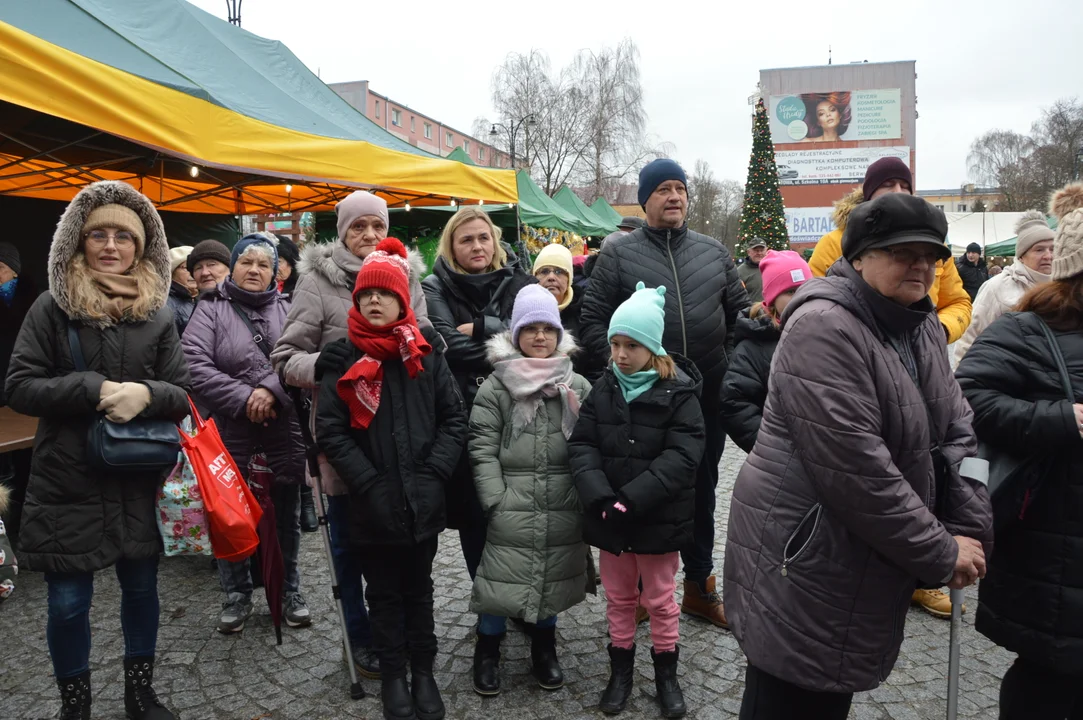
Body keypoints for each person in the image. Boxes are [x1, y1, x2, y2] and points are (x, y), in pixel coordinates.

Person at [724, 192, 993, 719]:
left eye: (931, 255)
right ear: (859, 256)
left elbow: (961, 432)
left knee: (830, 693)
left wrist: (970, 521)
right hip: (803, 562)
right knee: (793, 696)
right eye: (902, 252)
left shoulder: (921, 327)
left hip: (859, 560)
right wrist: (940, 551)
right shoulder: (823, 327)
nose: (921, 265)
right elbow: (858, 471)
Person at [5, 180, 191, 720]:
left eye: (124, 237)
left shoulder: (157, 312)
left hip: (138, 477)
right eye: (98, 235)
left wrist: (147, 394)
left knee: (141, 593)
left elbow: (181, 393)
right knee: (67, 605)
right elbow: (18, 385)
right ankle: (75, 706)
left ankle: (140, 694)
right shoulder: (50, 307)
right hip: (67, 479)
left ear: (142, 247)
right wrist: (94, 389)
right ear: (78, 242)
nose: (111, 246)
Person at [580, 158, 749, 629]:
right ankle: (636, 593)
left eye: (680, 188)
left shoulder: (714, 252)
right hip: (642, 403)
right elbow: (592, 320)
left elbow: (738, 316)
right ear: (645, 198)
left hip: (706, 397)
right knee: (641, 490)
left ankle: (698, 585)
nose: (674, 196)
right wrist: (625, 368)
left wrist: (731, 365)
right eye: (663, 189)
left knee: (701, 488)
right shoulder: (618, 254)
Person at [272, 190, 431, 678]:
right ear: (341, 231)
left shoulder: (406, 276)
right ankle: (360, 640)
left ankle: (401, 633)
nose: (369, 235)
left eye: (376, 226)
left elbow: (423, 338)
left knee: (401, 546)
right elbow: (284, 361)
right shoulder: (316, 281)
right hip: (342, 444)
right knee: (348, 548)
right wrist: (324, 362)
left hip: (400, 438)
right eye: (358, 226)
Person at [315, 238, 467, 720]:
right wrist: (368, 482)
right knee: (381, 593)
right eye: (365, 295)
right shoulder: (342, 358)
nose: (374, 301)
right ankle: (395, 674)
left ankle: (424, 672)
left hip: (422, 499)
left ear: (404, 300)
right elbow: (331, 431)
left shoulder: (423, 354)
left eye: (385, 294)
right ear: (356, 301)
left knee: (419, 591)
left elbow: (454, 418)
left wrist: (436, 471)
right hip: (370, 503)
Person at [954, 183, 1083, 720]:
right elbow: (967, 397)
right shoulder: (1030, 329)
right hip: (1052, 543)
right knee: (1051, 678)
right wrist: (1059, 419)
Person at [570, 282, 704, 718]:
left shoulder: (679, 394)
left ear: (652, 347)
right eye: (615, 344)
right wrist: (601, 496)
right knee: (619, 596)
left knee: (661, 599)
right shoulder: (603, 389)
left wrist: (634, 496)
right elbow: (582, 445)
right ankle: (620, 671)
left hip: (657, 519)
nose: (621, 354)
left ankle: (666, 672)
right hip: (611, 515)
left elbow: (683, 456)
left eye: (631, 345)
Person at [182, 233, 311, 634]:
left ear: (276, 273)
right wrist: (245, 397)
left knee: (285, 516)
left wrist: (271, 391)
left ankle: (290, 590)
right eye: (246, 262)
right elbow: (193, 364)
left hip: (282, 430)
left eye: (263, 265)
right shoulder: (210, 309)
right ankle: (236, 595)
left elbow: (302, 358)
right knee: (229, 516)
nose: (254, 270)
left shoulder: (291, 308)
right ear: (233, 267)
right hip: (229, 433)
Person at [467, 285, 592, 696]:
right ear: (515, 333)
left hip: (562, 501)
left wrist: (583, 493)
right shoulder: (497, 386)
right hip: (512, 504)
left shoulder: (577, 386)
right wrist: (495, 498)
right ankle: (488, 649)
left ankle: (544, 647)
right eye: (530, 329)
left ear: (559, 334)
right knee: (498, 581)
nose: (540, 337)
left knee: (552, 578)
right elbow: (482, 447)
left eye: (548, 328)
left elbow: (590, 444)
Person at [421, 207, 535, 581]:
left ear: (495, 241)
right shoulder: (432, 286)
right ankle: (487, 597)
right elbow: (446, 344)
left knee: (521, 509)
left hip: (520, 409)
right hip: (463, 414)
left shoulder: (519, 282)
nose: (477, 245)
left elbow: (536, 339)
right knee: (474, 511)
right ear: (452, 245)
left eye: (483, 237)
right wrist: (507, 339)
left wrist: (483, 326)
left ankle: (521, 595)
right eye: (466, 238)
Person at [809, 158, 972, 345]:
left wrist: (939, 331)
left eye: (904, 186)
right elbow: (816, 305)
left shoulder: (935, 246)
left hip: (923, 356)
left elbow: (958, 303)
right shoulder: (833, 243)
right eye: (887, 185)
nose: (898, 191)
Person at [720, 250, 812, 453]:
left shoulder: (826, 333)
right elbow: (735, 404)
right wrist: (773, 448)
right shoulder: (753, 346)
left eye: (804, 289)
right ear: (771, 299)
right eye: (790, 292)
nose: (799, 298)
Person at [953, 210, 1054, 364]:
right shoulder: (998, 288)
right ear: (1021, 255)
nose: (1048, 255)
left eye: (1052, 249)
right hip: (1009, 379)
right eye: (1039, 250)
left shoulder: (1066, 287)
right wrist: (964, 382)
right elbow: (969, 340)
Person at [166, 245, 196, 337]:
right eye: (187, 268)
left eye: (196, 267)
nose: (193, 273)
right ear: (172, 272)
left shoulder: (201, 298)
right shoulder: (166, 303)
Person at [737, 239, 768, 303]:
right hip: (752, 311)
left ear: (766, 251)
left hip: (772, 311)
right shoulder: (740, 272)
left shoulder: (772, 268)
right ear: (748, 252)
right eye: (756, 250)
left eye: (761, 250)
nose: (759, 253)